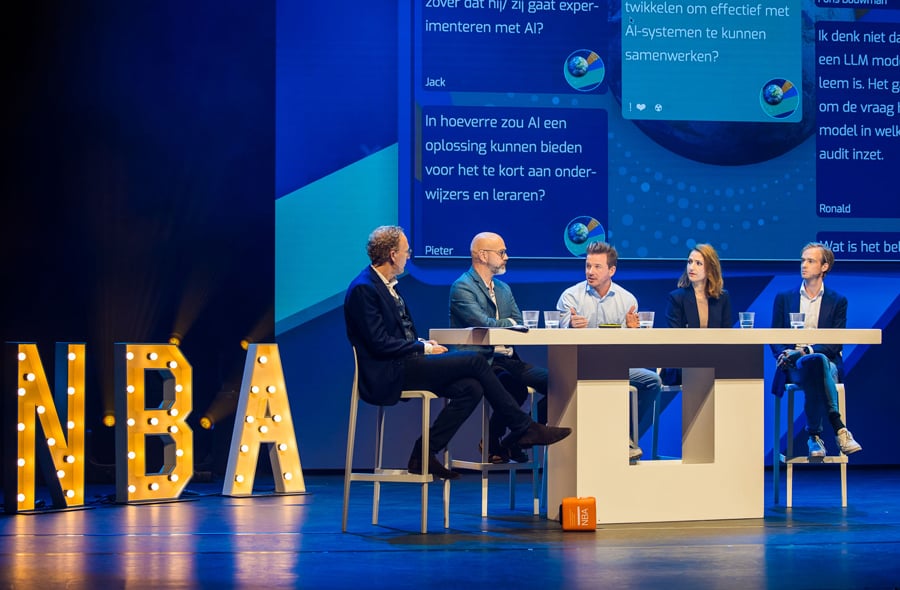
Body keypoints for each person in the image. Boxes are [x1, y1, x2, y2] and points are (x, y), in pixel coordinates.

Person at [344, 225, 571, 479]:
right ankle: (524, 427)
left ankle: (424, 452)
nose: (409, 256)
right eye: (406, 251)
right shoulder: (365, 288)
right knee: (475, 360)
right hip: (388, 371)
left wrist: (420, 342)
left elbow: (395, 336)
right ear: (392, 254)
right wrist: (423, 346)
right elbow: (378, 343)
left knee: (471, 388)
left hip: (408, 361)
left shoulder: (388, 285)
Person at [556, 240, 662, 460]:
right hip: (580, 366)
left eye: (597, 267)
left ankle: (626, 436)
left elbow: (631, 351)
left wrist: (634, 332)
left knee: (652, 381)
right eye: (587, 266)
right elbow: (557, 340)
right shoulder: (571, 297)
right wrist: (570, 327)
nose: (590, 272)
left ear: (611, 270)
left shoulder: (627, 300)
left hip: (615, 366)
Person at [449, 231, 549, 464]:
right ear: (483, 255)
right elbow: (485, 324)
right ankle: (497, 440)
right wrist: (511, 324)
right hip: (481, 360)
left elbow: (517, 320)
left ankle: (516, 437)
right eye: (502, 252)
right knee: (516, 389)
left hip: (509, 358)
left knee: (559, 383)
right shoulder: (462, 287)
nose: (506, 257)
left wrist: (510, 324)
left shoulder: (503, 288)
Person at [770, 242, 862, 458]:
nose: (804, 265)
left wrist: (806, 351)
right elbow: (774, 335)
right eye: (803, 260)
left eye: (810, 261)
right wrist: (783, 354)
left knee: (817, 361)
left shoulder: (838, 301)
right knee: (814, 365)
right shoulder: (784, 298)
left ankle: (814, 436)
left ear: (824, 267)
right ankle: (839, 428)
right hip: (794, 364)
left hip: (825, 360)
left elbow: (835, 343)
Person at [661, 243, 734, 385]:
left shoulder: (722, 298)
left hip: (713, 361)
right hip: (682, 363)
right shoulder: (677, 298)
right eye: (689, 262)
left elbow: (726, 335)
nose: (691, 267)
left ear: (710, 269)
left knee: (735, 370)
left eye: (698, 263)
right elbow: (674, 339)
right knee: (704, 371)